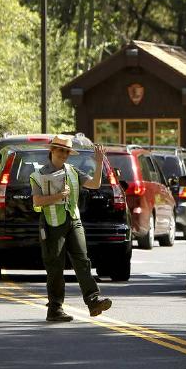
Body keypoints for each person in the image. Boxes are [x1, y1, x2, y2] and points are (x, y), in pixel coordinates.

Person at [30, 135, 113, 323]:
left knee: (82, 260)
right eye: (60, 150)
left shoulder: (73, 171)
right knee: (55, 267)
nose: (64, 154)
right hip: (51, 223)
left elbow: (94, 184)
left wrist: (99, 163)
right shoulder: (38, 175)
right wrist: (59, 196)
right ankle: (55, 309)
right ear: (52, 150)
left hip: (73, 220)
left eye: (67, 151)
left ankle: (93, 301)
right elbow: (37, 202)